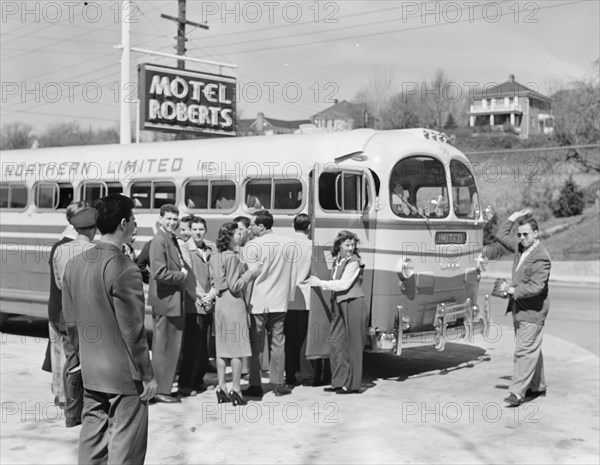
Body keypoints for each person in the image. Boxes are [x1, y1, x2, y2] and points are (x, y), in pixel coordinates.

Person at [62, 193, 157, 464]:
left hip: (91, 371)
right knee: (125, 451)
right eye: (134, 220)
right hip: (125, 377)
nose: (135, 225)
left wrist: (77, 362)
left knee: (92, 446)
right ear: (124, 222)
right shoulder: (124, 267)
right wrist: (148, 374)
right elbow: (133, 330)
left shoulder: (75, 264)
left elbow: (70, 324)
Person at [495, 208, 551, 407]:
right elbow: (500, 235)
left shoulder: (542, 257)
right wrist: (514, 216)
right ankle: (538, 386)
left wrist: (511, 290)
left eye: (526, 234)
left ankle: (517, 393)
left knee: (523, 351)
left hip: (533, 311)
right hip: (520, 309)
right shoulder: (520, 247)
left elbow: (537, 287)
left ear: (536, 233)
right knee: (531, 347)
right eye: (519, 234)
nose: (522, 238)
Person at [243, 210, 297, 397]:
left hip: (258, 301)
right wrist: (289, 296)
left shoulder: (252, 245)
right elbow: (292, 274)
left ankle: (255, 384)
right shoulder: (289, 244)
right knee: (278, 343)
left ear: (261, 226)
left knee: (256, 344)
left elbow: (249, 275)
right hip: (279, 301)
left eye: (252, 224)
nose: (250, 227)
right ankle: (278, 383)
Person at [53, 202, 97, 428]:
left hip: (68, 315)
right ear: (94, 228)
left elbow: (60, 284)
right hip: (91, 318)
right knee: (91, 366)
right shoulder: (96, 251)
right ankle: (90, 413)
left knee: (71, 364)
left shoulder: (60, 250)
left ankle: (71, 415)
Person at [309, 230, 368, 394]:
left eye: (352, 244)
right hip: (339, 303)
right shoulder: (339, 260)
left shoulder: (354, 261)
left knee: (353, 345)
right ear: (339, 246)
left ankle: (352, 385)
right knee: (336, 343)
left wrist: (320, 283)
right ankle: (338, 381)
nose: (350, 248)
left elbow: (343, 284)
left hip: (353, 303)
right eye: (347, 244)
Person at [208, 222, 261, 405]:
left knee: (222, 350)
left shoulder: (215, 255)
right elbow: (235, 285)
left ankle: (221, 386)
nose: (241, 236)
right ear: (229, 236)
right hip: (234, 305)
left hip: (221, 304)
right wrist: (251, 273)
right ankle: (236, 389)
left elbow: (216, 282)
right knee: (237, 351)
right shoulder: (232, 256)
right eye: (238, 233)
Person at [148, 204, 188, 403]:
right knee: (164, 347)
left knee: (172, 346)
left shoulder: (169, 238)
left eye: (175, 219)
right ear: (161, 219)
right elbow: (159, 272)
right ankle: (161, 390)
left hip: (172, 300)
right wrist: (182, 276)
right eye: (169, 219)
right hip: (166, 300)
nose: (172, 222)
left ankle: (166, 386)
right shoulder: (159, 240)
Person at [42, 204, 78, 410]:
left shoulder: (61, 244)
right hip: (60, 310)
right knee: (61, 356)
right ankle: (61, 395)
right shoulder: (64, 247)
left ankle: (62, 394)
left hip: (59, 309)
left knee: (62, 355)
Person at [178, 216, 215, 396]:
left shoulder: (210, 249)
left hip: (208, 302)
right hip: (194, 303)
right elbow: (189, 279)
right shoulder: (185, 249)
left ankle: (198, 379)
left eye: (201, 229)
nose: (198, 233)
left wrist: (212, 294)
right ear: (190, 231)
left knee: (203, 346)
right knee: (192, 346)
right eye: (195, 229)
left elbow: (216, 273)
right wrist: (203, 297)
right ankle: (186, 384)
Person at [285, 213, 313, 386]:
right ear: (309, 227)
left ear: (292, 225)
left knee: (289, 339)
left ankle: (289, 375)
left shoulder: (286, 246)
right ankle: (305, 374)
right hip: (306, 297)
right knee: (303, 338)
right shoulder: (312, 246)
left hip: (287, 298)